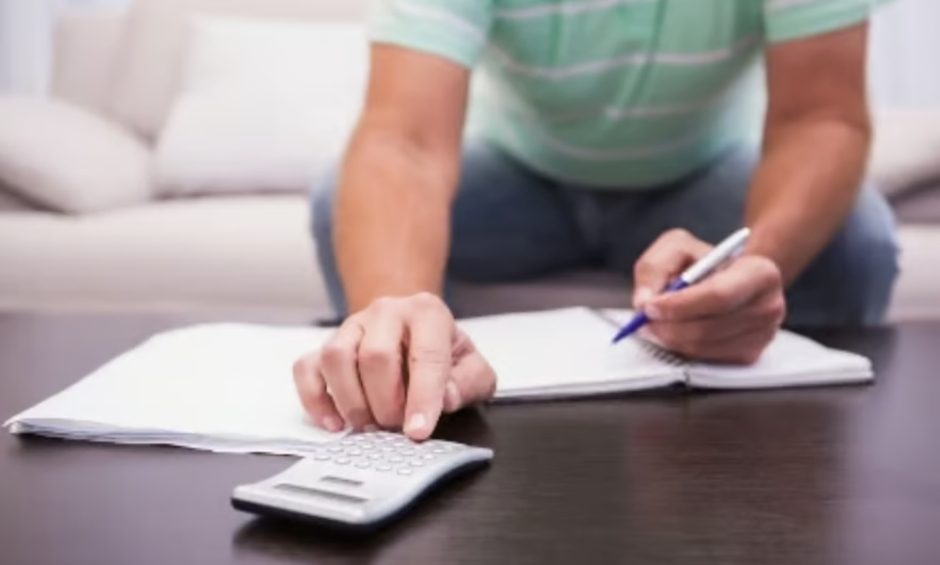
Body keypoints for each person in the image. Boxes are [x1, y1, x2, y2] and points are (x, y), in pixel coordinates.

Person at [293, 0, 900, 440]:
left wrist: (759, 263)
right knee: (338, 207)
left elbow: (820, 119)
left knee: (855, 241)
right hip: (521, 175)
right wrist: (399, 316)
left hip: (700, 174)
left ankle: (784, 448)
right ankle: (423, 395)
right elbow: (405, 140)